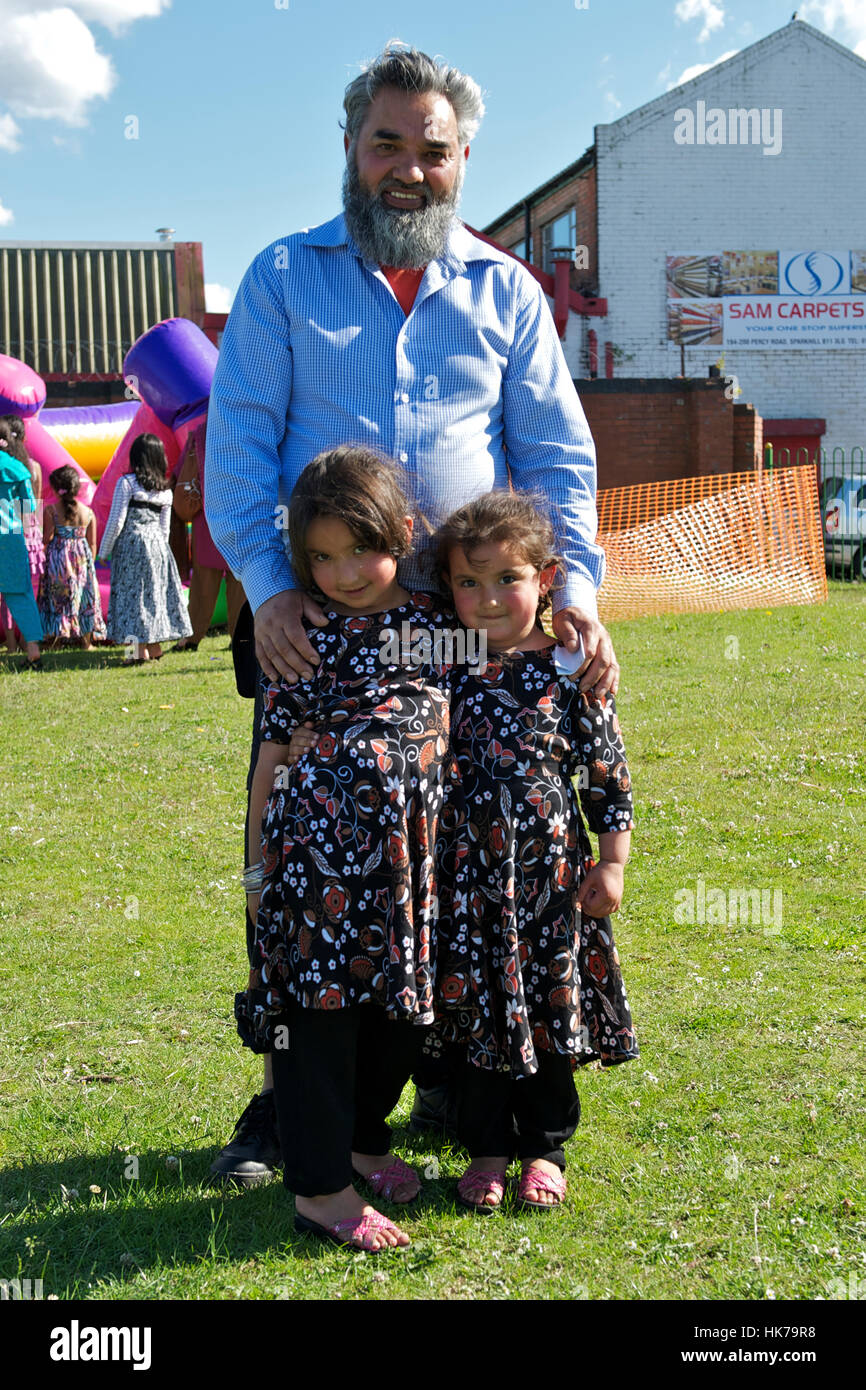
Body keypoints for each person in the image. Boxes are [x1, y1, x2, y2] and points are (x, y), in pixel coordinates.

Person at [205, 41, 619, 1185]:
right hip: (313, 628)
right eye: (385, 142)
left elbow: (554, 460)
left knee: (446, 863)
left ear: (462, 159)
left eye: (430, 150)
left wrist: (571, 590)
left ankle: (444, 1073)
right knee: (314, 880)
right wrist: (270, 589)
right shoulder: (284, 278)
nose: (407, 168)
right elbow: (236, 457)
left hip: (463, 632)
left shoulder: (505, 294)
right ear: (349, 148)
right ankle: (293, 1115)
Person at [236, 445, 453, 1251]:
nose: (343, 573)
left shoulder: (439, 624)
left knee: (398, 1016)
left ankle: (365, 1142)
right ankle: (323, 1192)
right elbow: (267, 762)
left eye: (358, 550)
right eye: (321, 558)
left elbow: (501, 676)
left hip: (409, 869)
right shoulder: (300, 632)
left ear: (401, 531)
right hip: (315, 869)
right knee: (318, 1022)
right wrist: (256, 871)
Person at [428, 491, 637, 1210]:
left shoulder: (571, 667)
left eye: (506, 580)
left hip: (549, 882)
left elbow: (606, 772)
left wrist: (612, 862)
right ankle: (485, 1148)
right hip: (465, 883)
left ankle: (544, 1148)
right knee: (477, 1011)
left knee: (547, 1008)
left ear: (546, 579)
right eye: (468, 581)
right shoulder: (442, 666)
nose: (488, 600)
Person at [98, 434, 192, 664]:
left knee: (132, 599)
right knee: (154, 597)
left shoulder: (127, 484)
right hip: (158, 547)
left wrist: (103, 551)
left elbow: (116, 521)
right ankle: (155, 648)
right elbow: (165, 528)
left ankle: (136, 654)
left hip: (132, 546)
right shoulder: (165, 492)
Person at [167, 419, 246, 654]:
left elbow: (181, 471)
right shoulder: (244, 427)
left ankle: (191, 638)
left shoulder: (201, 433)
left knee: (203, 580)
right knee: (240, 580)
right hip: (240, 514)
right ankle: (240, 637)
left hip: (207, 515)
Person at [38, 465, 106, 650]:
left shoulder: (51, 511)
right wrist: (88, 564)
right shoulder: (88, 512)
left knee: (57, 598)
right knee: (84, 598)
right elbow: (92, 544)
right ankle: (86, 642)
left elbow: (47, 538)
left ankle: (56, 640)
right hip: (82, 562)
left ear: (55, 488)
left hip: (58, 562)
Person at [0, 418, 44, 670]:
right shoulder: (18, 469)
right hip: (11, 539)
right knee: (21, 595)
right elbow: (28, 509)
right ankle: (33, 650)